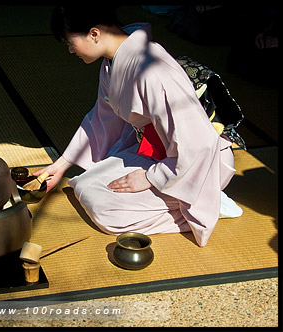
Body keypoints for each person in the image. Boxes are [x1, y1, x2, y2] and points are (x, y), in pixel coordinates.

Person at [33, 5, 241, 247]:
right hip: (158, 151)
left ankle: (205, 202)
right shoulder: (113, 63)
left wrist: (151, 178)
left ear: (94, 34)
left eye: (70, 43)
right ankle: (186, 198)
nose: (71, 50)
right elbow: (102, 119)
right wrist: (61, 165)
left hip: (197, 162)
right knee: (84, 184)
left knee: (106, 211)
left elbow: (198, 142)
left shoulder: (152, 69)